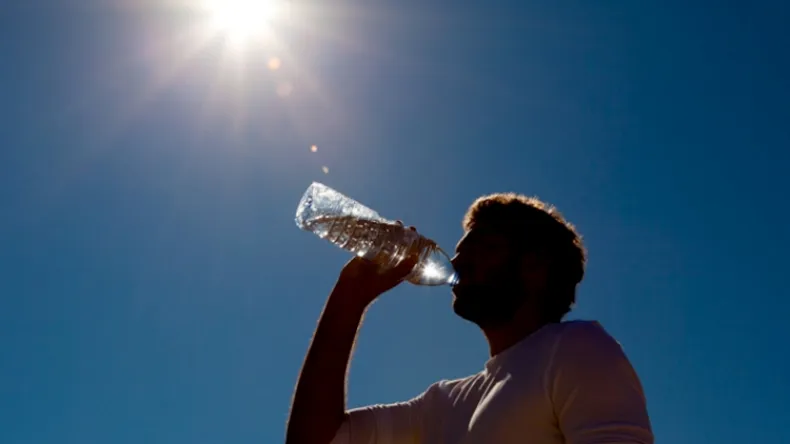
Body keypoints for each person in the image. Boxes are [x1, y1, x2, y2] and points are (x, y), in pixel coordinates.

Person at [285, 193, 653, 444]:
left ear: (535, 267)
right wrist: (350, 296)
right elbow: (317, 438)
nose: (458, 263)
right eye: (460, 251)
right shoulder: (443, 403)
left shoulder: (577, 349)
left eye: (484, 249)